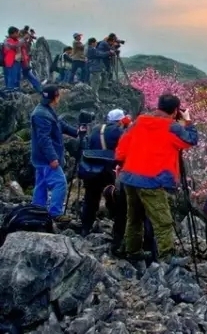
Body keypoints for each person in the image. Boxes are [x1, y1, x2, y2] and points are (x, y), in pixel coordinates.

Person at [115, 94, 198, 265]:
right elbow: (190, 140)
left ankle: (133, 251)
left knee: (134, 217)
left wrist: (120, 162)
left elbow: (123, 144)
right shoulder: (172, 127)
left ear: (158, 106)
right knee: (163, 221)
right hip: (152, 180)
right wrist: (188, 122)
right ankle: (166, 257)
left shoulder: (139, 121)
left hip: (129, 176)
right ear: (176, 111)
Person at [30, 85, 84, 223]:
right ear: (55, 97)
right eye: (58, 95)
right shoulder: (41, 114)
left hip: (40, 158)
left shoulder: (46, 110)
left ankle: (37, 210)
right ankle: (55, 213)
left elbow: (60, 125)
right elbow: (44, 139)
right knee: (60, 183)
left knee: (41, 184)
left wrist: (76, 132)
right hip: (46, 158)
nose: (60, 97)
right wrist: (52, 158)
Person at [80, 109, 127, 237]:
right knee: (116, 198)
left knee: (90, 199)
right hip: (109, 170)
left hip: (92, 169)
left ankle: (85, 227)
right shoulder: (119, 131)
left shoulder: (95, 129)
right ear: (120, 120)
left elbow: (86, 146)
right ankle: (117, 232)